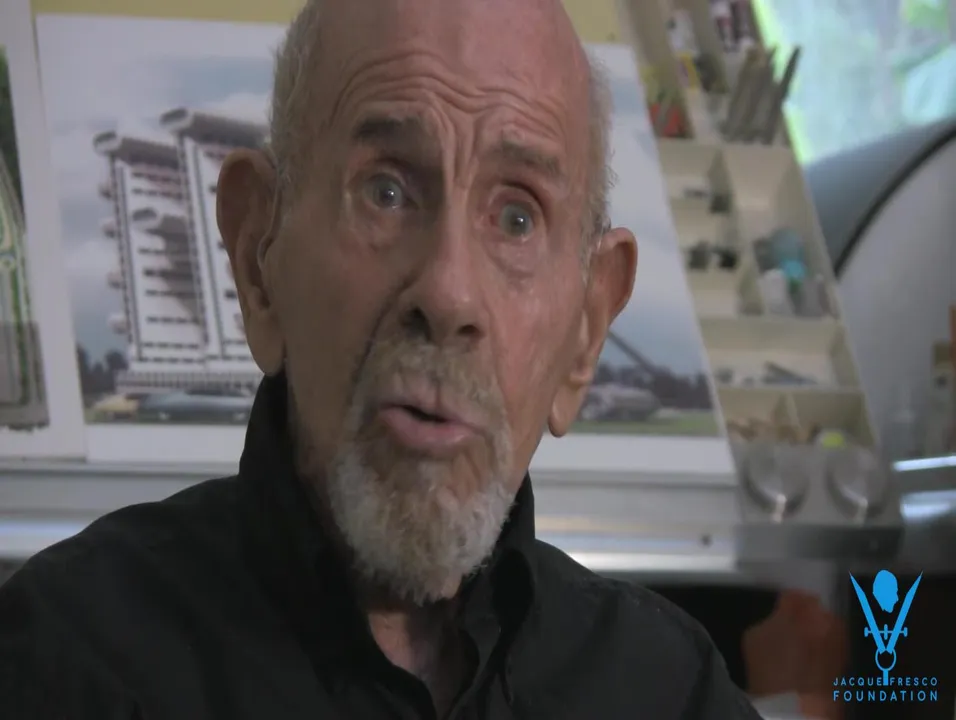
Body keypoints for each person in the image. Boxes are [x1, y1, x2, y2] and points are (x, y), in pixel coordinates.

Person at [0, 0, 764, 717]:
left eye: (517, 217)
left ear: (587, 332)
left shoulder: (673, 693)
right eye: (386, 192)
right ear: (258, 257)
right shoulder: (64, 662)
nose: (450, 294)